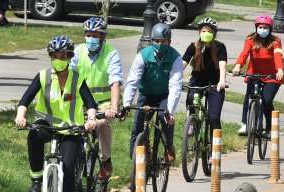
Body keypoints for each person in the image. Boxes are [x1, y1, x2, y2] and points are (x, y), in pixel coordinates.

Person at [15, 36, 97, 192]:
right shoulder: (43, 76)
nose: (58, 59)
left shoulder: (77, 78)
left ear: (69, 58)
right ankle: (36, 179)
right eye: (55, 56)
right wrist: (21, 115)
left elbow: (90, 103)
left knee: (69, 173)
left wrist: (91, 120)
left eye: (63, 56)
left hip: (71, 130)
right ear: (50, 57)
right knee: (34, 135)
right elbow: (26, 99)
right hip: (47, 124)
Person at [69, 17, 123, 181]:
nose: (91, 38)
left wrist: (113, 108)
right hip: (81, 101)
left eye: (95, 35)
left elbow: (115, 82)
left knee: (101, 122)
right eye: (88, 34)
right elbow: (68, 75)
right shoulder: (78, 51)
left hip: (103, 103)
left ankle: (105, 160)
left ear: (102, 37)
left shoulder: (111, 53)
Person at [123, 22, 183, 162]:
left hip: (164, 95)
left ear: (169, 42)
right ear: (151, 40)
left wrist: (171, 111)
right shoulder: (143, 55)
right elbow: (132, 82)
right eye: (156, 41)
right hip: (146, 94)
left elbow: (175, 84)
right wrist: (126, 105)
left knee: (164, 116)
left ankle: (169, 146)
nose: (160, 44)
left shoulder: (176, 57)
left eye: (163, 41)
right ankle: (135, 167)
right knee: (137, 127)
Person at [232, 14, 284, 136]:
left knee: (267, 101)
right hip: (254, 74)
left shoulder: (276, 41)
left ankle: (269, 128)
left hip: (272, 76)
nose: (263, 29)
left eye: (266, 27)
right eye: (260, 27)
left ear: (270, 29)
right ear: (256, 27)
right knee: (248, 97)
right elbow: (244, 54)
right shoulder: (250, 40)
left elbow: (278, 56)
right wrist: (238, 66)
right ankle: (245, 124)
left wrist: (280, 70)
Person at [182, 17, 227, 152]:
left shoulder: (220, 47)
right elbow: (182, 64)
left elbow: (222, 65)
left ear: (214, 32)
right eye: (203, 31)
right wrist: (175, 78)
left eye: (208, 31)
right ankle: (192, 122)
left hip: (215, 83)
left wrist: (222, 81)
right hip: (198, 80)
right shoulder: (193, 47)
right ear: (199, 32)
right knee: (190, 97)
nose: (205, 33)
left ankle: (215, 151)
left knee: (214, 117)